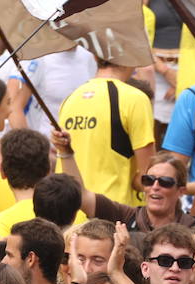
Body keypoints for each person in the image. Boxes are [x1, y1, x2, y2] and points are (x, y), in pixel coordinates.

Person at [58, 58, 154, 208]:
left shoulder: (69, 99)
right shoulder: (136, 98)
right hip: (112, 214)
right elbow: (149, 177)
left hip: (69, 210)